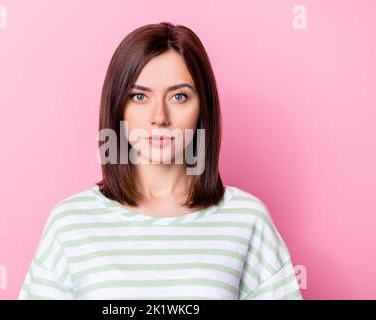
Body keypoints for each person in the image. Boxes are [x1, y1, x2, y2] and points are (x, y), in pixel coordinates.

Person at [18, 22, 302, 300]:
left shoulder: (247, 219)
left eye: (179, 96)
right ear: (118, 107)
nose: (159, 117)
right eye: (139, 96)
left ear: (203, 108)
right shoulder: (70, 223)